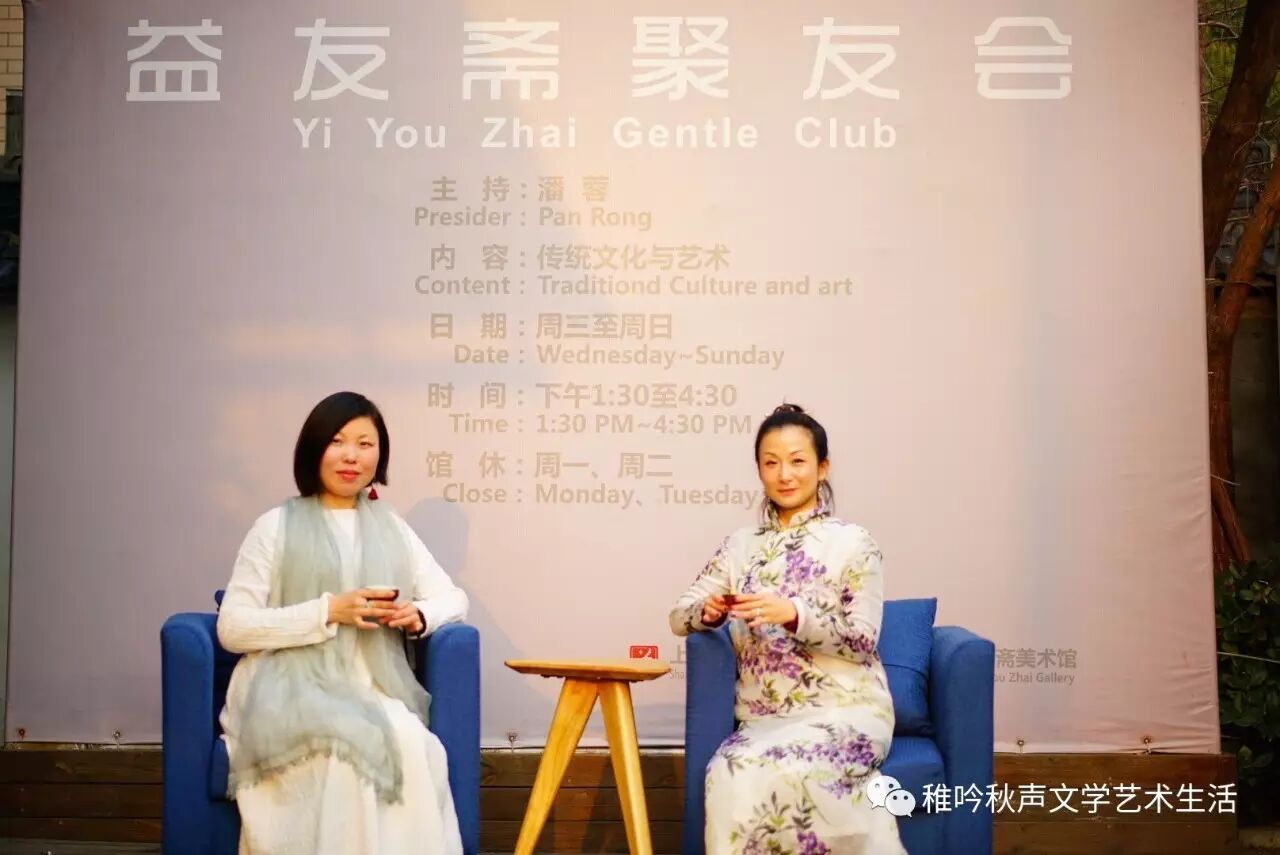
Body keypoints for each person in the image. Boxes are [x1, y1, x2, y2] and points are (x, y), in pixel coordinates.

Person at [216, 391, 469, 855]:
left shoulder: (392, 528)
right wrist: (329, 611)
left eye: (365, 444)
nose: (351, 455)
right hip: (285, 686)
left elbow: (453, 597)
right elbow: (233, 628)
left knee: (410, 744)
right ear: (314, 448)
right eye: (337, 441)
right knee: (343, 749)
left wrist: (418, 615)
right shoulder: (274, 526)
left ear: (379, 456)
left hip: (369, 687)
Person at [669, 403, 906, 854]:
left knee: (801, 769)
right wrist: (709, 612)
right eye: (771, 463)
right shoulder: (740, 546)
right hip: (765, 718)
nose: (784, 475)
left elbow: (863, 640)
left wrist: (794, 613)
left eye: (797, 461)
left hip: (844, 708)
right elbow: (678, 616)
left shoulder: (854, 542)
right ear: (759, 470)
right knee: (729, 773)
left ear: (822, 467)